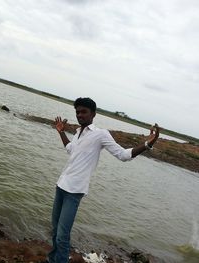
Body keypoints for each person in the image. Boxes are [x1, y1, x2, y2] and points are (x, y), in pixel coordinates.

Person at [48, 97, 160, 263]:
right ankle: (53, 259)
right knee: (56, 230)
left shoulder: (100, 134)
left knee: (62, 235)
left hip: (75, 191)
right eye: (77, 112)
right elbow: (70, 149)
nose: (80, 115)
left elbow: (123, 155)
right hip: (61, 185)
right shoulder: (78, 132)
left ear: (93, 114)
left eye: (84, 112)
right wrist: (61, 131)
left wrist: (147, 145)